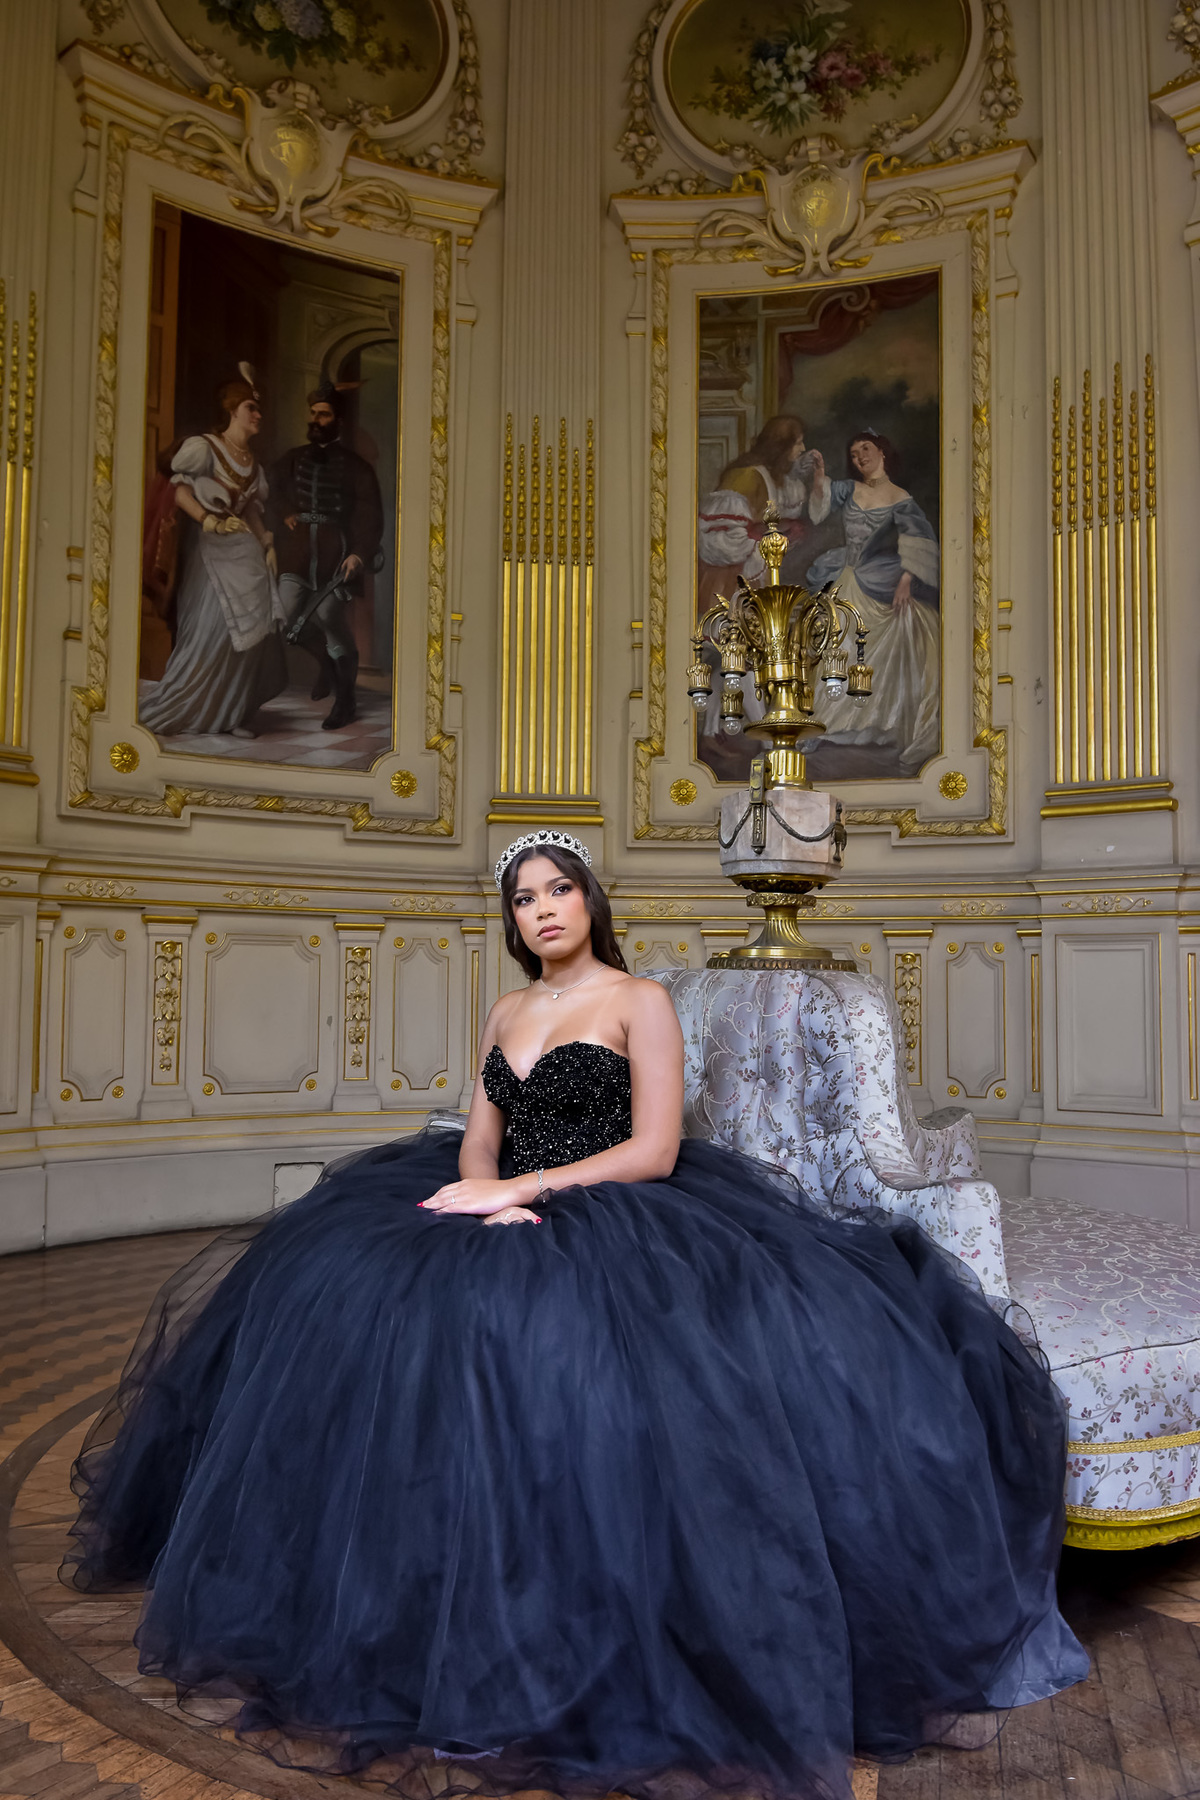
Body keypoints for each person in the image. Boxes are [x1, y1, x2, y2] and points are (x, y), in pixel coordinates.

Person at [62, 828, 1086, 1800]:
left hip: (618, 1207)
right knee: (345, 1284)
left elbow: (655, 1149)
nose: (545, 909)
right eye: (525, 898)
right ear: (512, 919)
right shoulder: (506, 1010)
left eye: (560, 890)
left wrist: (530, 1190)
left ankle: (566, 1634)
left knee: (543, 1343)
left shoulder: (640, 999)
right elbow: (480, 1135)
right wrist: (480, 1191)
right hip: (504, 1196)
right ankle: (393, 1608)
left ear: (590, 900)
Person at [138, 370, 286, 739]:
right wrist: (210, 522)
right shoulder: (204, 447)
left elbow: (250, 510)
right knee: (212, 632)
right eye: (251, 408)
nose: (258, 415)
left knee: (250, 638)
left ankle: (230, 714)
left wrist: (267, 545)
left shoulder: (253, 463)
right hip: (210, 555)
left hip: (247, 557)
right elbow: (179, 491)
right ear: (232, 410)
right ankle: (187, 708)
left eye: (258, 409)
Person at [805, 431, 941, 777]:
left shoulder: (900, 498)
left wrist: (906, 580)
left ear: (881, 451)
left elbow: (920, 540)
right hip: (847, 574)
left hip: (881, 578)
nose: (860, 457)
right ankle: (827, 724)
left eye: (865, 449)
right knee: (837, 643)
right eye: (854, 454)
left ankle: (879, 725)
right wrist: (819, 476)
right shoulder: (848, 489)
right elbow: (819, 510)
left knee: (903, 629)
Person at [269, 383, 384, 731]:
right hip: (297, 553)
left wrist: (358, 554)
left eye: (324, 414)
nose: (316, 420)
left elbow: (370, 515)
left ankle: (345, 701)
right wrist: (285, 512)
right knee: (286, 615)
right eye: (313, 413)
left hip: (338, 554)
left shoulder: (357, 467)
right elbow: (271, 493)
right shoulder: (291, 458)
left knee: (329, 615)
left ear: (338, 420)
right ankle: (326, 663)